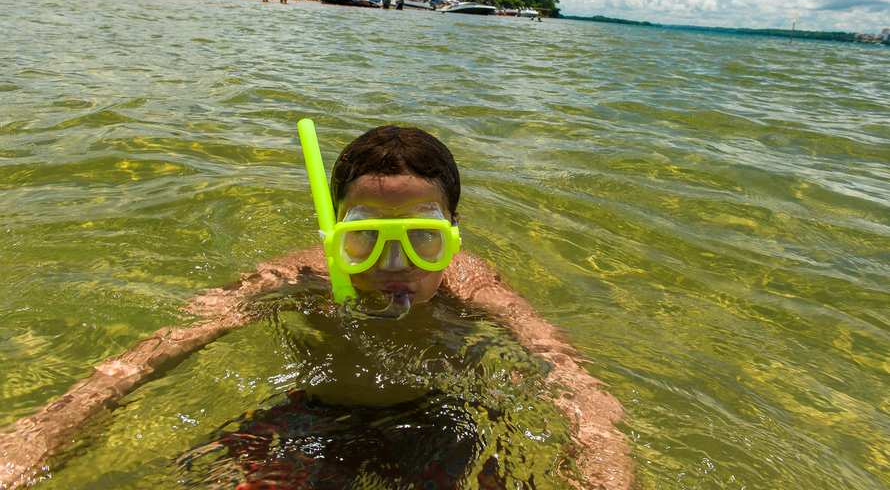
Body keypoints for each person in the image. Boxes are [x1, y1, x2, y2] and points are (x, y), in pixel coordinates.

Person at [0, 124, 635, 489]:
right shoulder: (296, 275)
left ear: (454, 229)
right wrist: (44, 431)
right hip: (314, 418)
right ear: (333, 229)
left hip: (443, 421)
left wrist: (601, 466)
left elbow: (572, 380)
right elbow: (165, 345)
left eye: (423, 236)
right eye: (365, 236)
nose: (393, 264)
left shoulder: (475, 285)